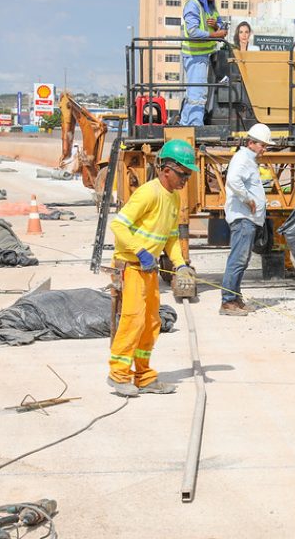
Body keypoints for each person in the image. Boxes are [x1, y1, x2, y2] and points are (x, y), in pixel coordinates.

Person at [106, 139, 198, 397]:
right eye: (183, 174)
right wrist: (141, 251)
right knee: (133, 320)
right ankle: (118, 374)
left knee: (151, 322)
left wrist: (180, 264)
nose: (185, 180)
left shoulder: (173, 199)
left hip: (149, 269)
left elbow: (170, 237)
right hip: (132, 266)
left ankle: (143, 375)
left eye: (188, 175)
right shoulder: (148, 192)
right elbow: (118, 225)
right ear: (165, 169)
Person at [220, 123, 273, 315]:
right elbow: (233, 180)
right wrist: (248, 199)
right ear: (251, 143)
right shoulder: (242, 158)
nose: (264, 150)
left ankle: (235, 298)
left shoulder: (248, 159)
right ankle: (227, 302)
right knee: (238, 259)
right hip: (243, 218)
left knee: (242, 260)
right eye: (263, 146)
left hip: (248, 219)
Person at [180, 0, 227, 127]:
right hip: (195, 56)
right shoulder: (192, 5)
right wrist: (215, 35)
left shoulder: (210, 6)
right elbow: (193, 31)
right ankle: (194, 125)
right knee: (197, 93)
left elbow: (221, 24)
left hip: (207, 55)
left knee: (197, 92)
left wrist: (217, 26)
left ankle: (185, 125)